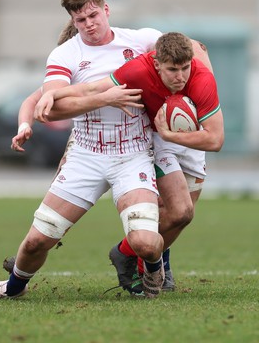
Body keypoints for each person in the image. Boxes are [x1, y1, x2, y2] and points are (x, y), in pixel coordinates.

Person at [0, 0, 166, 301]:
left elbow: (190, 51)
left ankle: (156, 265)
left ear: (106, 10)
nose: (88, 24)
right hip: (86, 154)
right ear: (72, 21)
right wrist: (108, 97)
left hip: (133, 154)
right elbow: (51, 105)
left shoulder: (142, 40)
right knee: (36, 242)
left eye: (93, 15)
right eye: (80, 20)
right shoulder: (66, 53)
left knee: (146, 241)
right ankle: (12, 288)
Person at [33, 32, 224, 295]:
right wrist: (51, 96)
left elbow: (215, 140)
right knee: (178, 210)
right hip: (156, 137)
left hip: (191, 135)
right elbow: (92, 88)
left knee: (180, 216)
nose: (180, 76)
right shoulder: (136, 68)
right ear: (157, 62)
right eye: (172, 69)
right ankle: (152, 266)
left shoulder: (196, 73)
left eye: (185, 68)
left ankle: (127, 253)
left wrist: (174, 133)